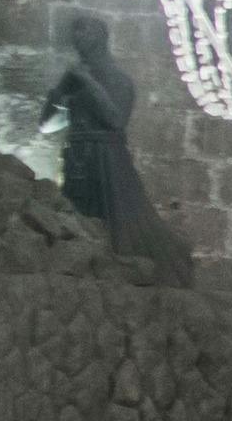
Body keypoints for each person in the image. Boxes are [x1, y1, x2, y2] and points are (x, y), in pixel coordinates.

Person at [42, 14, 193, 282]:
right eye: (76, 33)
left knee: (119, 220)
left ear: (100, 36)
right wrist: (58, 93)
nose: (78, 38)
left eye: (84, 31)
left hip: (107, 159)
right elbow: (47, 126)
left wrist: (88, 82)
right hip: (77, 158)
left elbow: (115, 120)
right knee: (79, 218)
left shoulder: (118, 79)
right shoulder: (74, 80)